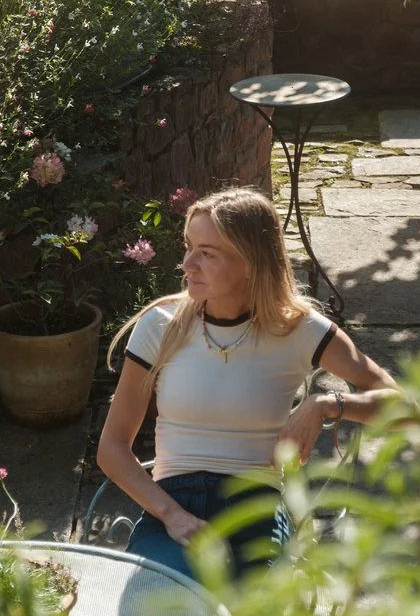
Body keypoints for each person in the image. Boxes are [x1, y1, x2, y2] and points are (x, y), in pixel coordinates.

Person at [98, 185, 395, 580]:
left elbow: (404, 408)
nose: (187, 264)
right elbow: (112, 447)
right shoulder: (161, 326)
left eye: (207, 253)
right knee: (157, 612)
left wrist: (328, 405)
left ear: (250, 263)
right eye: (188, 246)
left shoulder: (299, 330)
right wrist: (173, 516)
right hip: (173, 501)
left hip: (256, 505)